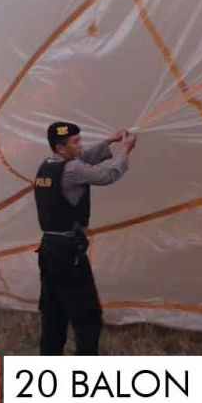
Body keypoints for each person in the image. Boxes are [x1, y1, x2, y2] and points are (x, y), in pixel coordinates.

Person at [34, 122, 136, 355]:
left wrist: (109, 141)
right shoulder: (72, 170)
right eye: (76, 142)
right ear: (61, 148)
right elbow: (109, 175)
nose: (81, 146)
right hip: (68, 254)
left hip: (48, 250)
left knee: (54, 314)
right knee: (87, 315)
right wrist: (125, 151)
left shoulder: (47, 167)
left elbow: (83, 159)